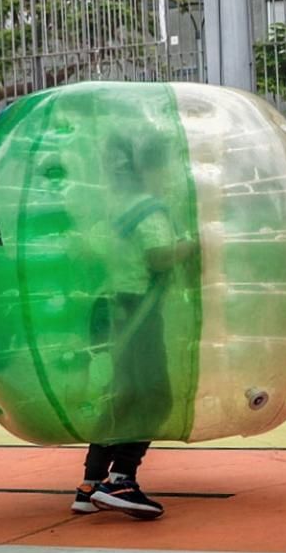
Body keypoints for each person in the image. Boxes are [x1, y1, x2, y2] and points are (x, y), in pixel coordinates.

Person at [71, 134, 197, 520]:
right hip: (139, 308)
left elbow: (92, 250)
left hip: (111, 306)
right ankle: (122, 479)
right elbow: (158, 256)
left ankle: (91, 482)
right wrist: (190, 246)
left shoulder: (112, 208)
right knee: (153, 395)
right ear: (152, 171)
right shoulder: (148, 208)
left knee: (120, 394)